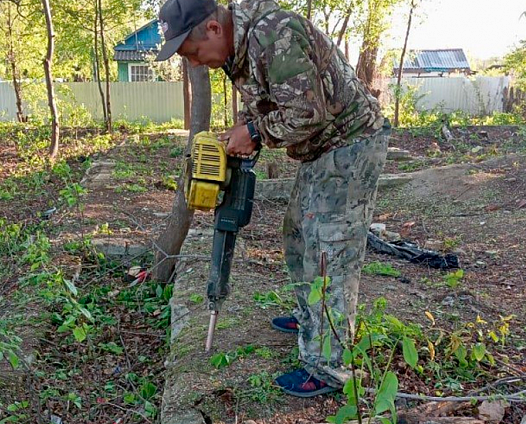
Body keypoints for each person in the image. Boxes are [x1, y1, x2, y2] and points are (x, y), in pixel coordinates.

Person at [156, 0, 390, 398]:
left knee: (330, 249)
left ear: (213, 28)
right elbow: (270, 103)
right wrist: (245, 131)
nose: (194, 62)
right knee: (299, 234)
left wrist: (256, 133)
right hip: (319, 148)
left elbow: (307, 112)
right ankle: (312, 319)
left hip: (351, 143)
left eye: (192, 52)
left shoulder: (273, 34)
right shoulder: (239, 49)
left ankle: (328, 365)